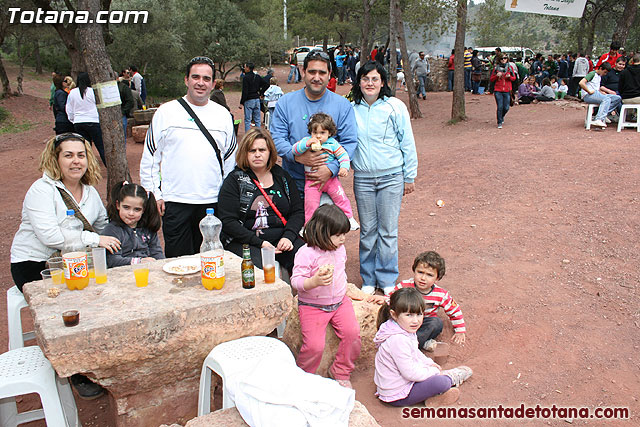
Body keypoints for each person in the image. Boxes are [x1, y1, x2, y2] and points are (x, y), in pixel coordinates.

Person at [140, 56, 237, 257]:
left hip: (212, 202)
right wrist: (154, 193)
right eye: (195, 77)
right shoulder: (166, 112)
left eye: (206, 78)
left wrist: (226, 196)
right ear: (186, 80)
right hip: (175, 201)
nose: (200, 83)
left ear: (213, 84)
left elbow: (230, 160)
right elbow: (151, 156)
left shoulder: (223, 116)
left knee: (211, 259)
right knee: (178, 261)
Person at [10, 133, 120, 292]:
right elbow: (50, 236)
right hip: (36, 264)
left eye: (81, 155)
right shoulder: (41, 190)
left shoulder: (90, 192)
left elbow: (103, 228)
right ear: (55, 159)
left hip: (73, 262)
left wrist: (125, 202)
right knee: (72, 299)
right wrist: (94, 239)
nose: (76, 161)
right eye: (68, 155)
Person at [351, 61, 418, 296]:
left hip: (391, 177)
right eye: (366, 79)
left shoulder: (395, 106)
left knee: (388, 230)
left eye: (375, 79)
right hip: (363, 179)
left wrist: (409, 176)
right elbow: (346, 142)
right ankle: (369, 278)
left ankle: (387, 277)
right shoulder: (351, 108)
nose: (370, 83)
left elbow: (407, 142)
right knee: (368, 230)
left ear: (382, 82)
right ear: (359, 82)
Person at [291, 204, 361, 389]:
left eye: (344, 234)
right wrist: (313, 282)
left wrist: (349, 291)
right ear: (322, 232)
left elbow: (341, 272)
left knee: (353, 334)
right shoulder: (306, 253)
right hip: (312, 305)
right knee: (314, 346)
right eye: (338, 235)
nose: (343, 239)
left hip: (339, 302)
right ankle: (303, 378)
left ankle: (341, 370)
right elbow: (296, 281)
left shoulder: (340, 249)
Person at [270, 50, 358, 195]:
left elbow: (349, 142)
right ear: (303, 72)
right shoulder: (285, 103)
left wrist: (331, 169)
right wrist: (297, 157)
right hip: (292, 184)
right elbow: (277, 138)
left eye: (322, 73)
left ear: (329, 74)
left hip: (327, 185)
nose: (317, 77)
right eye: (312, 72)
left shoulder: (342, 105)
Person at [218, 128, 304, 273]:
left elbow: (297, 211)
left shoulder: (282, 177)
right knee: (257, 271)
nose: (257, 154)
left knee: (308, 259)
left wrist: (288, 237)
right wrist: (260, 243)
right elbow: (228, 222)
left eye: (262, 150)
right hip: (247, 241)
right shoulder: (234, 180)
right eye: (252, 151)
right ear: (245, 153)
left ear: (270, 152)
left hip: (282, 238)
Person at [374, 287, 473, 406]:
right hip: (398, 395)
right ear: (394, 315)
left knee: (433, 375)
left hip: (398, 384)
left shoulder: (401, 328)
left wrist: (428, 362)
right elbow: (409, 373)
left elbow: (414, 352)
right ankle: (450, 378)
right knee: (441, 382)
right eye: (409, 315)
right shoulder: (398, 340)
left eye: (419, 314)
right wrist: (433, 371)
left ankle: (436, 398)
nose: (415, 320)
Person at [388, 251, 466, 351]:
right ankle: (407, 341)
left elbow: (454, 310)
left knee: (436, 323)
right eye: (420, 272)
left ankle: (413, 343)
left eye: (429, 275)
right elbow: (390, 298)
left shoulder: (441, 294)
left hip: (422, 323)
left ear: (437, 278)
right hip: (404, 321)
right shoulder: (405, 285)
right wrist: (383, 299)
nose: (423, 278)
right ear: (414, 271)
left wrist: (460, 330)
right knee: (390, 317)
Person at [292, 113, 358, 228]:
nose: (318, 136)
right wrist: (306, 144)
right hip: (311, 181)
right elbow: (295, 150)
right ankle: (308, 226)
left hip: (331, 180)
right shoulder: (306, 141)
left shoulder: (332, 144)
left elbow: (343, 155)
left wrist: (343, 167)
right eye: (315, 132)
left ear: (329, 133)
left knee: (340, 197)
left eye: (322, 133)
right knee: (310, 205)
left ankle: (349, 217)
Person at [102, 181, 164, 267]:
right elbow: (112, 260)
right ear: (118, 205)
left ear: (143, 210)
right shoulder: (112, 230)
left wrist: (160, 264)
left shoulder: (148, 228)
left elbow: (157, 253)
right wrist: (138, 261)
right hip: (122, 274)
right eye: (126, 207)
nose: (131, 213)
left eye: (137, 209)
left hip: (147, 272)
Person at [65, 72, 106, 166]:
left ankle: (87, 168)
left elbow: (69, 109)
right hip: (94, 121)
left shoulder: (72, 93)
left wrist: (73, 120)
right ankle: (109, 167)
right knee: (101, 146)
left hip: (79, 122)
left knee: (84, 148)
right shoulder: (93, 92)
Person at [580, 62, 622, 128]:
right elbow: (581, 83)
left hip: (597, 94)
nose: (605, 74)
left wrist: (602, 92)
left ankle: (603, 115)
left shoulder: (599, 76)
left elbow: (596, 87)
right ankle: (599, 119)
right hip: (588, 95)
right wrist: (588, 91)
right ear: (601, 68)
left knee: (617, 98)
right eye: (604, 72)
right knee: (606, 99)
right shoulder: (592, 74)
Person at [489, 54, 516, 129]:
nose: (503, 60)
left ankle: (502, 116)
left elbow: (514, 78)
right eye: (502, 58)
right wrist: (496, 76)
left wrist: (509, 77)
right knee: (500, 106)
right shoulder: (496, 68)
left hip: (507, 90)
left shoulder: (510, 68)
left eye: (505, 58)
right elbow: (491, 79)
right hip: (498, 90)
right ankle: (499, 122)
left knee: (506, 107)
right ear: (499, 60)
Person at [240, 63, 268, 132]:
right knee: (257, 119)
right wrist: (261, 93)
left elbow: (245, 91)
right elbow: (266, 84)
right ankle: (259, 133)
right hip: (257, 99)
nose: (244, 68)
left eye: (245, 67)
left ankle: (247, 134)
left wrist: (242, 102)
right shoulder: (257, 77)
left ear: (248, 68)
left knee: (247, 120)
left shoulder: (245, 78)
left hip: (249, 100)